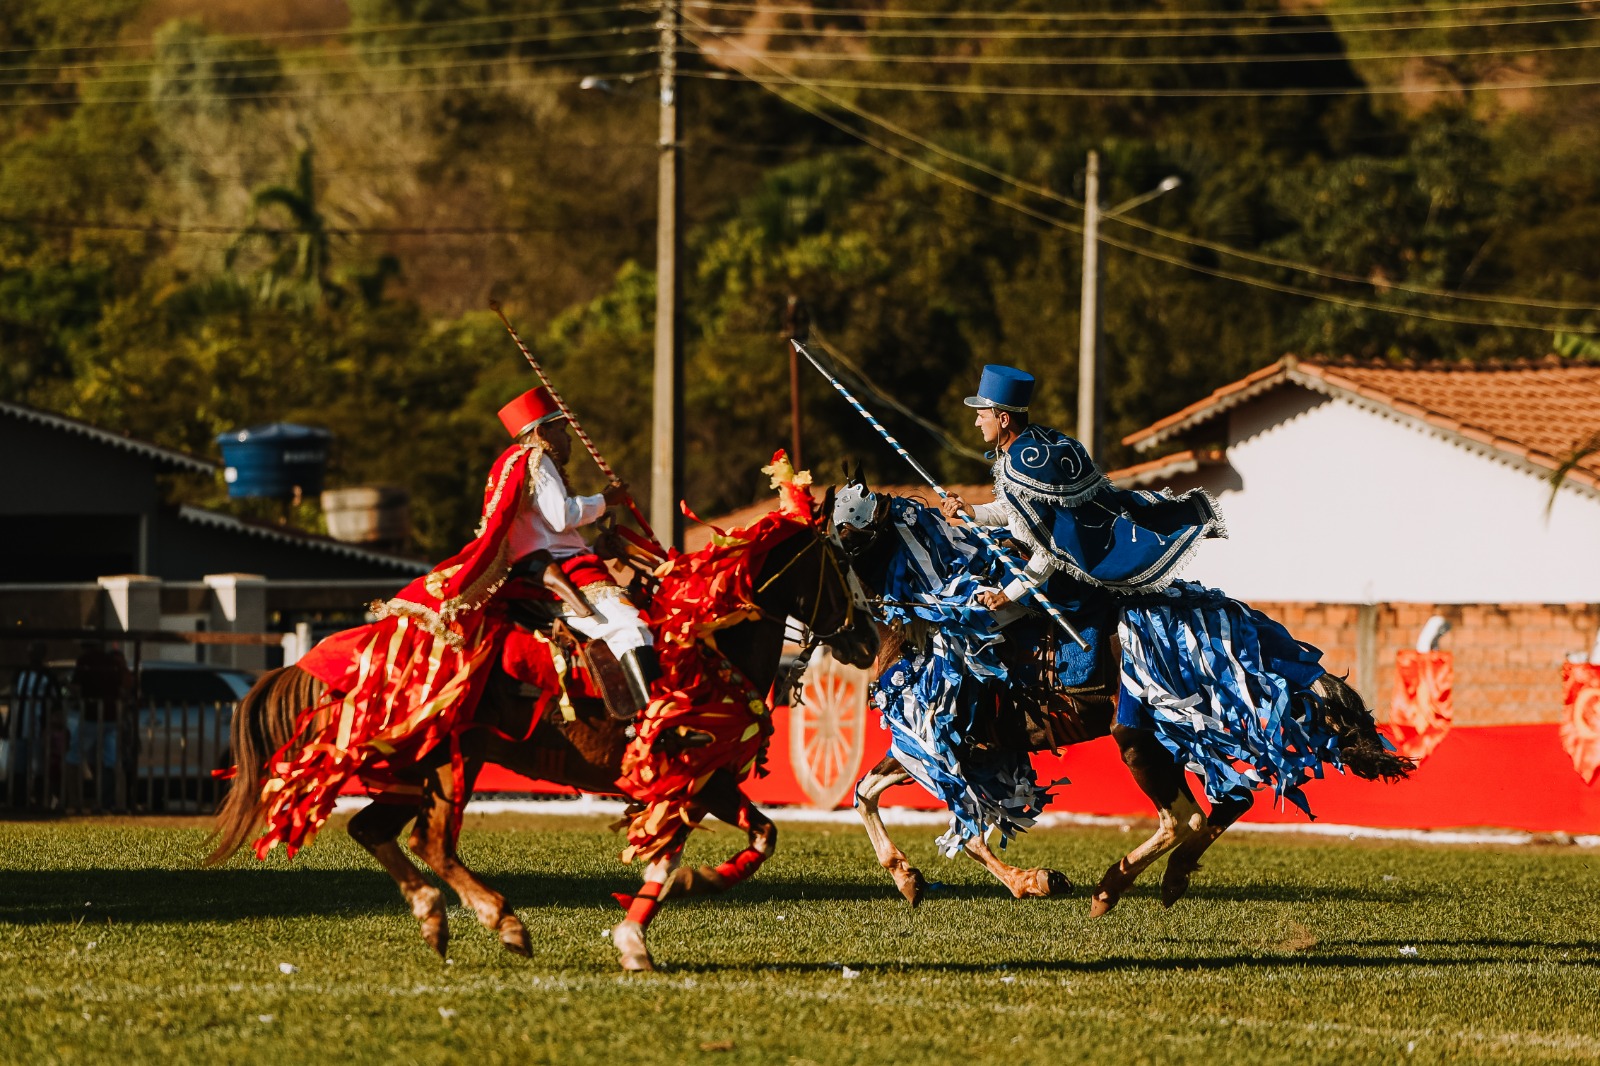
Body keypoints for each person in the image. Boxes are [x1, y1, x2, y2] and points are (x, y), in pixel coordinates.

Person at [940, 364, 1225, 610]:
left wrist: (1008, 596)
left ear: (1003, 419)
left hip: (1068, 581)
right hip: (1044, 565)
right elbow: (1020, 514)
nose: (977, 423)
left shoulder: (1023, 465)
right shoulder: (1036, 444)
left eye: (982, 415)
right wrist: (971, 510)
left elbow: (1050, 551)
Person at [491, 386, 659, 713]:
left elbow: (550, 532)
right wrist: (605, 499)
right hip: (560, 571)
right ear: (541, 432)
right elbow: (561, 517)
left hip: (562, 562)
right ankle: (657, 720)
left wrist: (597, 547)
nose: (569, 440)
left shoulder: (524, 465)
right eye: (562, 430)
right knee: (632, 628)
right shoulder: (536, 459)